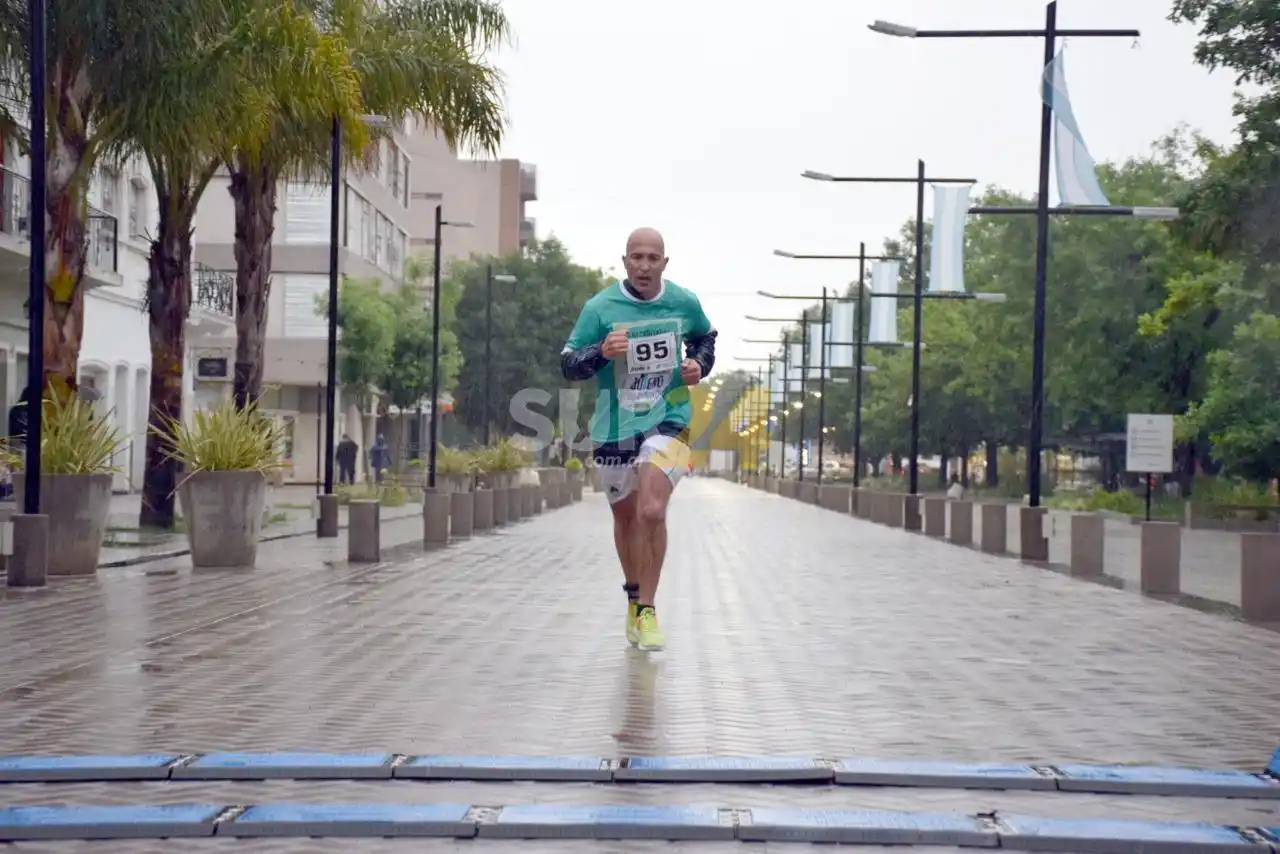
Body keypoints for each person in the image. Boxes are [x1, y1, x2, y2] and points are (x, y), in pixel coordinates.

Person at [561, 227, 716, 651]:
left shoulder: (683, 301)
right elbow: (569, 363)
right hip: (613, 429)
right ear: (625, 262)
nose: (644, 265)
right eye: (637, 257)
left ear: (665, 262)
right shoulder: (600, 308)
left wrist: (698, 365)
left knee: (651, 509)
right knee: (627, 518)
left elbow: (706, 337)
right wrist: (601, 354)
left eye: (653, 258)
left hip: (670, 419)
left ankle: (647, 609)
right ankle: (633, 598)